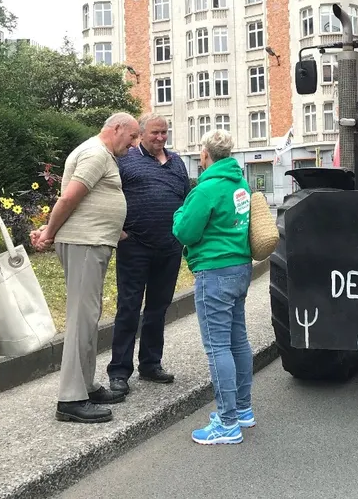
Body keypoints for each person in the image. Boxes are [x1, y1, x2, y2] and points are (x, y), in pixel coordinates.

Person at [31, 112, 140, 424]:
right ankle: (71, 398)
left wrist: (113, 226)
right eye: (131, 137)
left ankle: (87, 386)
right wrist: (49, 232)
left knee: (89, 316)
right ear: (116, 128)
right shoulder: (95, 153)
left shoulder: (100, 154)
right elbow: (68, 198)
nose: (134, 145)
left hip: (92, 242)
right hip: (84, 244)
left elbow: (90, 200)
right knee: (82, 318)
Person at [172, 129, 255, 446]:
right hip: (240, 268)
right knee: (238, 340)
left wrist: (179, 212)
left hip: (214, 271)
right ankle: (243, 409)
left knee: (217, 347)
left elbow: (186, 231)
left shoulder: (205, 190)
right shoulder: (240, 184)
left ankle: (227, 423)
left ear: (205, 156)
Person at [107, 113, 190, 396]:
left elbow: (185, 198)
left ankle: (151, 364)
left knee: (158, 308)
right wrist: (117, 230)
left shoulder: (177, 162)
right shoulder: (125, 160)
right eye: (155, 133)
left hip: (169, 247)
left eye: (164, 132)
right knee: (128, 307)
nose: (160, 138)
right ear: (141, 134)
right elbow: (107, 195)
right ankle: (119, 371)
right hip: (135, 246)